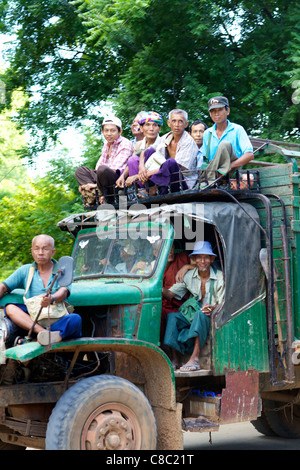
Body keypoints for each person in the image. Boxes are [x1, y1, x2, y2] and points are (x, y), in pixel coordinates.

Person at [0, 235, 82, 346]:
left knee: (75, 319)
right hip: (32, 322)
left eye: (45, 249)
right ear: (32, 251)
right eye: (36, 249)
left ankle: (47, 336)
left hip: (56, 320)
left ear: (53, 252)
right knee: (10, 308)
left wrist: (52, 298)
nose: (40, 252)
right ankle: (44, 334)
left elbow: (64, 291)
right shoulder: (25, 270)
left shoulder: (63, 269)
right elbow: (3, 286)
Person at [163, 241, 224, 372]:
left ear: (212, 259)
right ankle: (175, 358)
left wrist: (212, 308)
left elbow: (223, 303)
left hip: (212, 313)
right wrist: (158, 287)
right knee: (172, 316)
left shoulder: (219, 277)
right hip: (195, 312)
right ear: (194, 260)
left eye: (206, 257)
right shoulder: (189, 276)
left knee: (201, 314)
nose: (203, 261)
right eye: (199, 257)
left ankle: (194, 358)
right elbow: (170, 294)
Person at [126, 109, 198, 196]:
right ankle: (149, 189)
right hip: (165, 179)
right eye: (174, 121)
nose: (177, 125)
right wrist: (141, 167)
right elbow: (145, 151)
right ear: (169, 123)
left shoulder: (188, 141)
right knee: (150, 152)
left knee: (171, 162)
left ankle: (153, 189)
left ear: (186, 124)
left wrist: (140, 175)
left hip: (181, 183)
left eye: (180, 121)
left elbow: (176, 165)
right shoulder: (166, 137)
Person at [75, 116, 133, 205]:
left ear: (120, 131)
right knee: (81, 171)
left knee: (103, 170)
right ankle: (97, 192)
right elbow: (97, 167)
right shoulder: (107, 144)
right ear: (102, 131)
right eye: (106, 130)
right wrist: (86, 183)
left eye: (112, 130)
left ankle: (96, 192)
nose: (109, 133)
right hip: (103, 179)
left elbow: (114, 169)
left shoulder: (125, 144)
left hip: (117, 181)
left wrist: (94, 184)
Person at [201, 96, 254, 183]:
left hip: (233, 173)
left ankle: (208, 182)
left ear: (227, 111)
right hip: (215, 172)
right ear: (210, 114)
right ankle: (208, 181)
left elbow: (249, 155)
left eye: (220, 110)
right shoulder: (207, 133)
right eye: (213, 111)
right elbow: (206, 160)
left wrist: (229, 166)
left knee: (224, 144)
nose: (216, 114)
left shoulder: (237, 129)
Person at [116, 111, 163, 190]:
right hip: (140, 180)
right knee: (132, 160)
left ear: (159, 129)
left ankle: (145, 191)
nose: (151, 129)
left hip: (156, 178)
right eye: (147, 125)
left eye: (155, 125)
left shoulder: (163, 143)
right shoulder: (138, 145)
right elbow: (131, 162)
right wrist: (122, 176)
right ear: (141, 128)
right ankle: (138, 190)